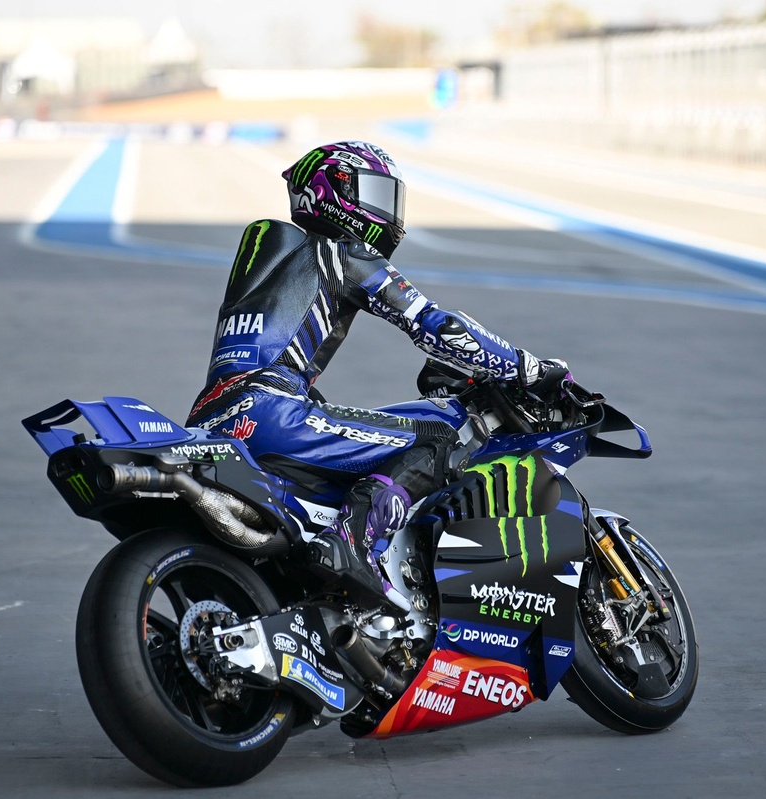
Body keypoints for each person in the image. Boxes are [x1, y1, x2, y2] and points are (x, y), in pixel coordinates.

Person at [187, 140, 566, 605]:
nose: (387, 213)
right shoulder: (342, 253)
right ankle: (353, 541)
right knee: (439, 437)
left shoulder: (271, 250)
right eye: (375, 194)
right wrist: (528, 368)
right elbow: (437, 327)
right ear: (332, 191)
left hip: (212, 416)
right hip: (273, 411)